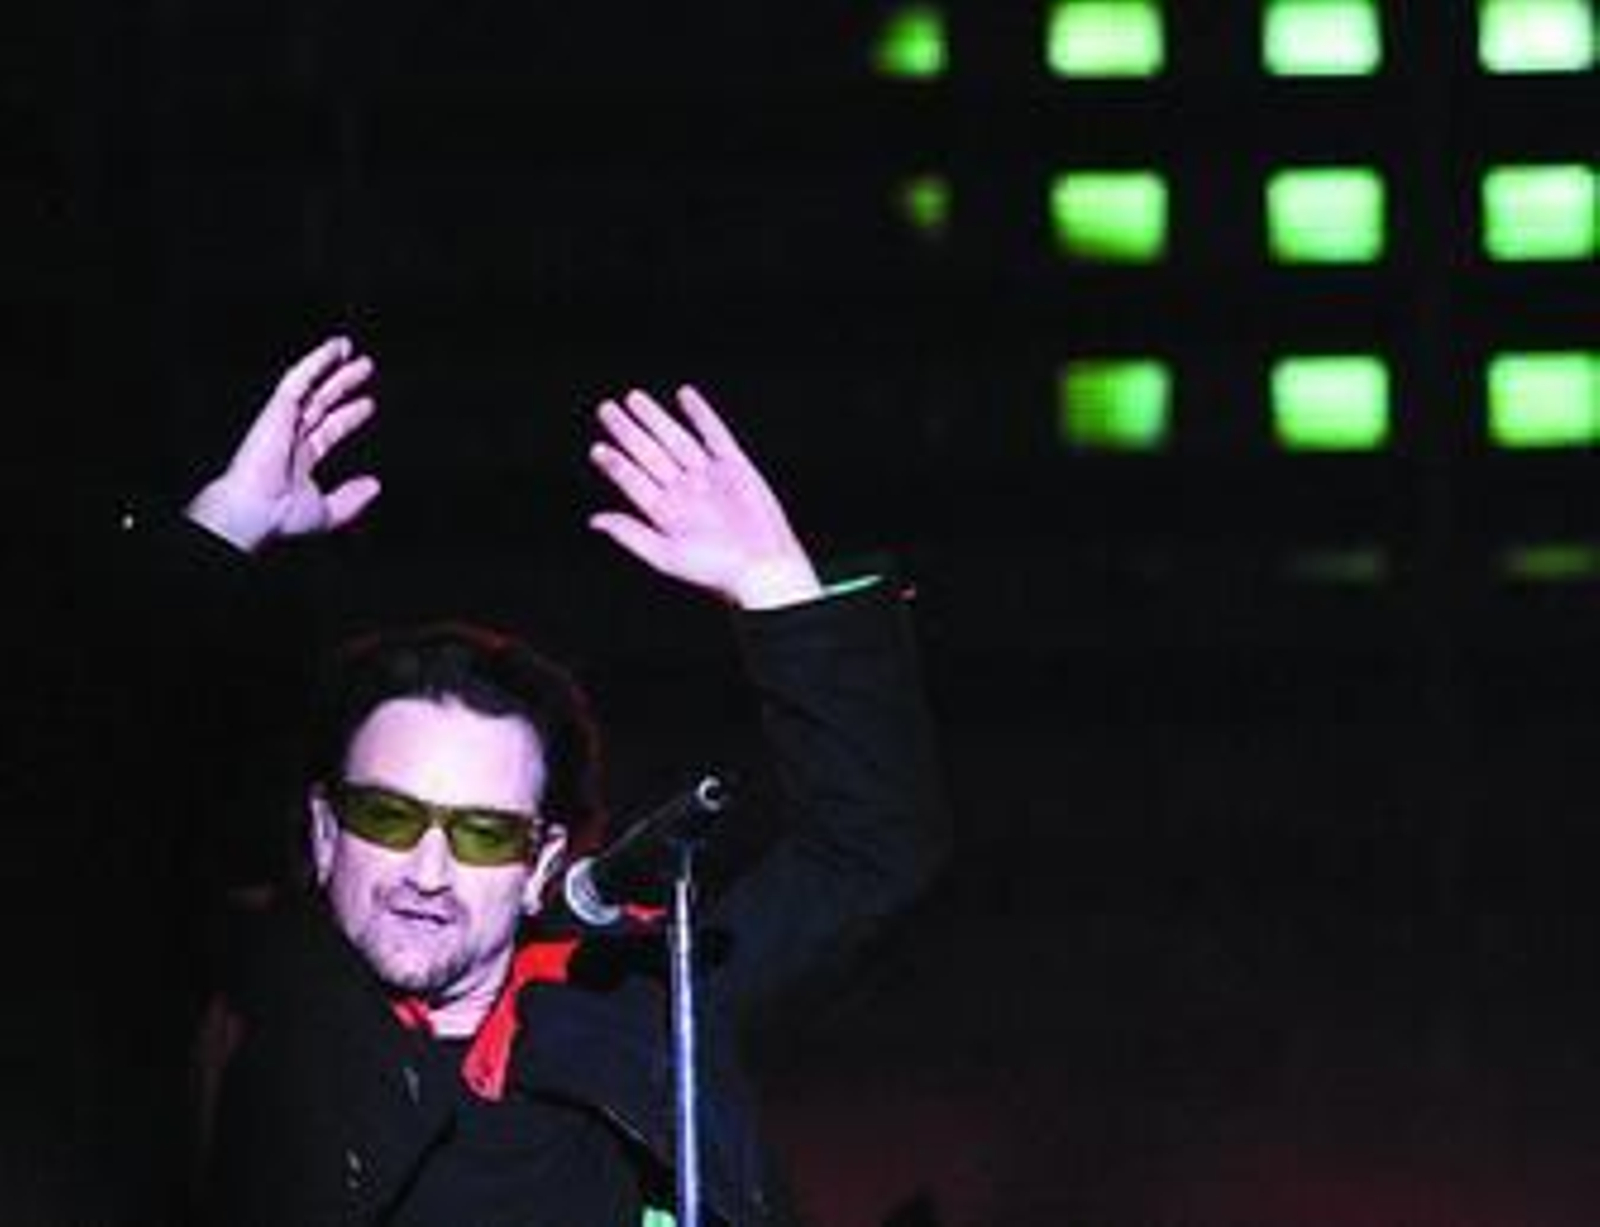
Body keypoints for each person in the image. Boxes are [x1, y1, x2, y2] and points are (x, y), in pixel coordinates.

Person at [181, 337, 949, 1224]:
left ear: (541, 861)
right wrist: (213, 536)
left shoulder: (640, 1004)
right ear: (324, 831)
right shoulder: (243, 995)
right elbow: (87, 798)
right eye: (390, 816)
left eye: (483, 832)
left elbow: (870, 853)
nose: (428, 871)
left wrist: (777, 587)